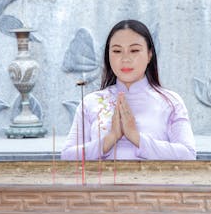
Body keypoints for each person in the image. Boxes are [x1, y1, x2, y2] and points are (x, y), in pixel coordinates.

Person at [61, 20, 196, 160]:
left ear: (150, 54)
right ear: (108, 55)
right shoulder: (91, 102)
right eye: (117, 51)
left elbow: (188, 154)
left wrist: (136, 137)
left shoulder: (170, 101)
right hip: (103, 182)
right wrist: (110, 139)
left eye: (134, 50)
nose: (125, 59)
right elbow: (67, 156)